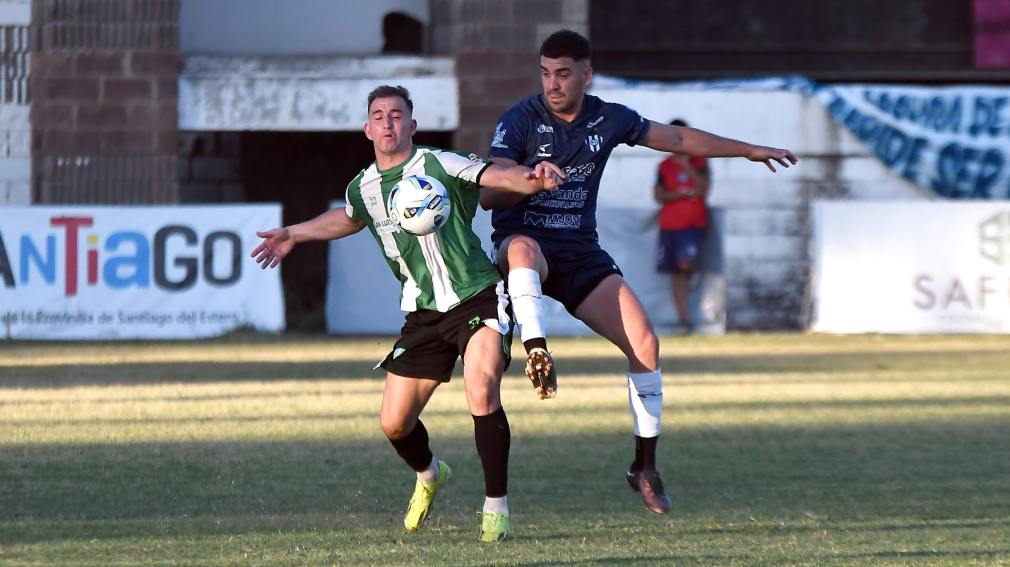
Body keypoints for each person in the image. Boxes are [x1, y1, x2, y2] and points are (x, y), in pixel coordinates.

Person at [480, 30, 796, 515]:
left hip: (580, 253)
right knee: (521, 248)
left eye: (563, 74)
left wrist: (748, 149)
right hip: (527, 245)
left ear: (586, 75)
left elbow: (678, 138)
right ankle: (537, 348)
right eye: (546, 73)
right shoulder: (520, 119)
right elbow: (489, 192)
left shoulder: (609, 117)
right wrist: (529, 179)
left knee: (645, 344)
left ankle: (643, 467)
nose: (553, 84)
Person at [251, 85, 564, 542]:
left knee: (481, 389)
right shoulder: (363, 187)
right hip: (422, 313)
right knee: (394, 423)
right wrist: (295, 233)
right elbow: (350, 217)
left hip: (475, 295)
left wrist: (532, 178)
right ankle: (431, 474)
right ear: (367, 129)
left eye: (396, 115)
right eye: (378, 116)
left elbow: (496, 176)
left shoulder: (440, 163)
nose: (387, 123)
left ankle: (495, 507)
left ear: (411, 125)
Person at [653, 119, 712, 332]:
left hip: (694, 223)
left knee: (686, 263)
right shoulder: (664, 165)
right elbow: (658, 195)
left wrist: (687, 166)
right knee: (676, 272)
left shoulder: (700, 161)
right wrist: (678, 194)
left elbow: (703, 189)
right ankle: (684, 319)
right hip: (670, 224)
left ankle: (692, 277)